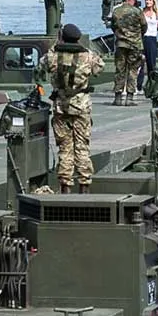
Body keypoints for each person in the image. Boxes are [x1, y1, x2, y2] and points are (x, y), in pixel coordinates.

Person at [48, 23, 105, 193]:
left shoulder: (53, 56)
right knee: (82, 145)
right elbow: (99, 68)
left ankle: (65, 185)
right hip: (81, 105)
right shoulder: (88, 56)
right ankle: (84, 184)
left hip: (60, 106)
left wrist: (57, 45)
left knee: (65, 146)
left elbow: (42, 65)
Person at [109, 0, 147, 106]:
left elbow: (113, 26)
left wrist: (120, 34)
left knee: (120, 69)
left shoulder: (116, 11)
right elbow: (144, 26)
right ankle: (129, 97)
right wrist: (137, 35)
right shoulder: (137, 11)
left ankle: (118, 97)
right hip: (135, 45)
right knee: (133, 70)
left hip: (121, 44)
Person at [140, 0, 158, 93]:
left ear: (153, 1)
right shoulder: (141, 11)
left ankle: (151, 84)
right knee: (140, 62)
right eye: (146, 0)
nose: (147, 1)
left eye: (149, 0)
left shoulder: (157, 12)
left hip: (152, 38)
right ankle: (138, 85)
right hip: (143, 37)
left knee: (151, 63)